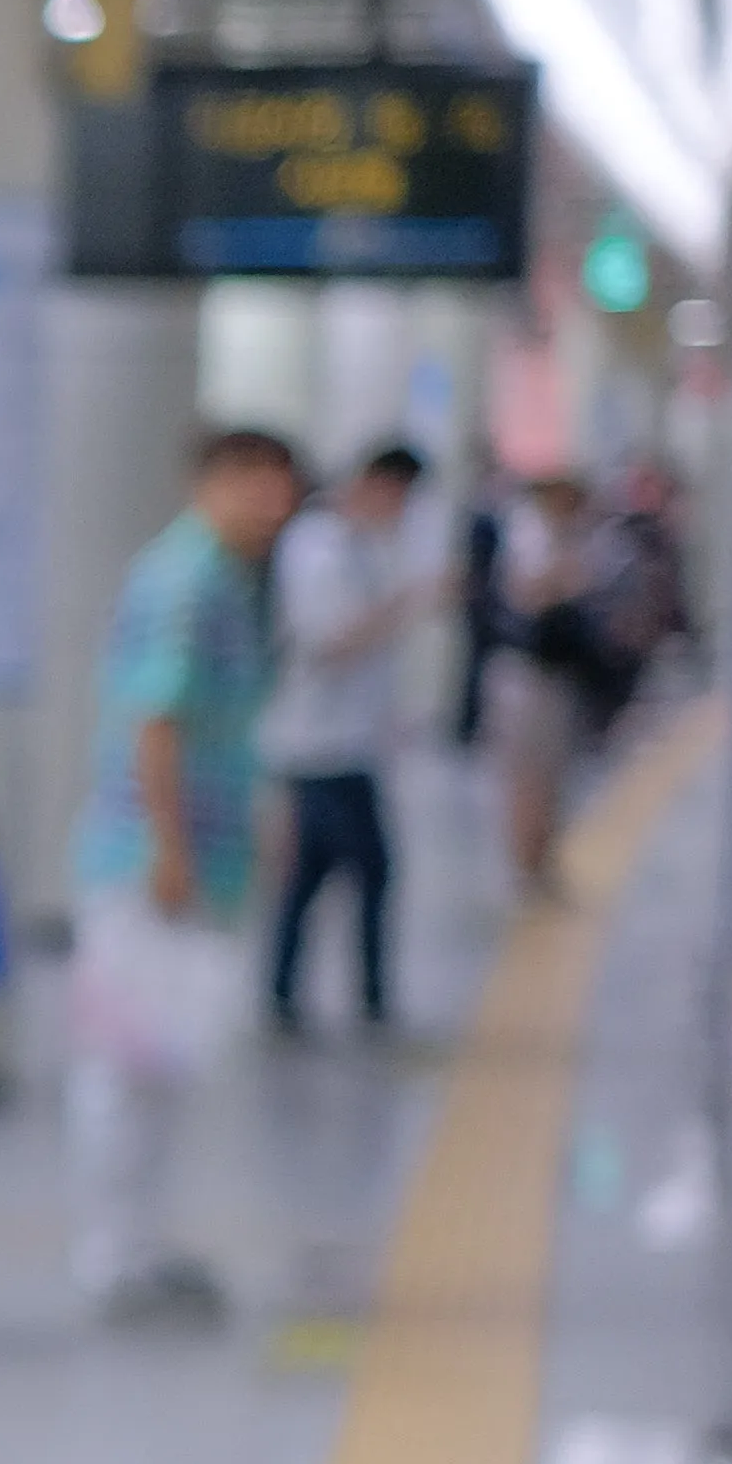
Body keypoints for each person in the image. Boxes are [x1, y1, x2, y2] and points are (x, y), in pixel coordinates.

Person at [68, 426, 305, 1319]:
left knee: (158, 1058)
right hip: (149, 860)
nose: (273, 507)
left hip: (192, 854)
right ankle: (111, 1252)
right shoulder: (186, 580)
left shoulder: (225, 580)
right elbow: (154, 721)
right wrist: (168, 848)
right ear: (214, 481)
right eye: (259, 486)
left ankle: (139, 1241)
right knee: (124, 1062)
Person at [261, 441, 436, 1035]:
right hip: (315, 746)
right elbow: (329, 641)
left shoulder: (359, 545)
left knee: (317, 878)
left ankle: (291, 996)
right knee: (365, 872)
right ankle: (362, 1000)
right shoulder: (315, 547)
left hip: (350, 744)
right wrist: (404, 606)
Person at [489, 467, 596, 903]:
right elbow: (524, 593)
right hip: (526, 670)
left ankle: (541, 858)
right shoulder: (527, 536)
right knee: (526, 774)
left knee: (550, 773)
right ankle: (526, 863)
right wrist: (564, 579)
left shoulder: (560, 537)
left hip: (554, 672)